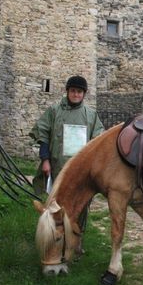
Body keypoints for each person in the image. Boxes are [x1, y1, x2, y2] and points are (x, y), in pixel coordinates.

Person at [29, 75, 104, 243]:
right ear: (68, 91)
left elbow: (97, 143)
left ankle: (76, 241)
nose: (76, 94)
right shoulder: (54, 111)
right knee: (56, 204)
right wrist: (45, 160)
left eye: (79, 91)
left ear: (84, 94)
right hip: (57, 167)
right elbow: (43, 135)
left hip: (81, 171)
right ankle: (54, 238)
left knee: (80, 205)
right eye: (73, 91)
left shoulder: (91, 115)